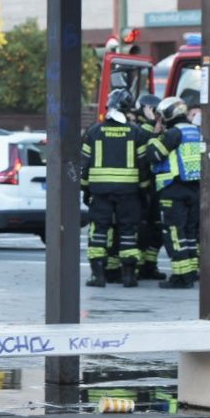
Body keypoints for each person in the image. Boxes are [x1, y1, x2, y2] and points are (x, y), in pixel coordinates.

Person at [81, 90, 150, 288]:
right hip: (129, 193)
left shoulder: (94, 132)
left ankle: (98, 276)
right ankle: (128, 276)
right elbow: (143, 166)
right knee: (128, 232)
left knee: (99, 232)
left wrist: (85, 190)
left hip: (100, 193)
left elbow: (83, 167)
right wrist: (144, 191)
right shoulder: (136, 132)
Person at [144, 98, 203, 289]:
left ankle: (181, 276)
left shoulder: (173, 133)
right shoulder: (195, 130)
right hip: (194, 189)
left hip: (173, 189)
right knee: (189, 233)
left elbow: (153, 153)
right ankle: (191, 271)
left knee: (174, 233)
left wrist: (154, 133)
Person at [132, 93, 165, 281]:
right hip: (155, 188)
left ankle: (141, 265)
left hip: (142, 189)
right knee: (155, 229)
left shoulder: (138, 131)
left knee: (143, 229)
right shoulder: (152, 132)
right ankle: (148, 266)